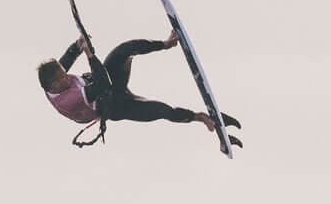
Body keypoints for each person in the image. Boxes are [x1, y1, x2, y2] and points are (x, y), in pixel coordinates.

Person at [37, 32, 241, 144]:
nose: (66, 76)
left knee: (125, 49)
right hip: (115, 105)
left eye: (64, 73)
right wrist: (90, 55)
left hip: (107, 84)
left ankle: (167, 43)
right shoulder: (68, 99)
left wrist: (77, 46)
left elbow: (64, 62)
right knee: (161, 110)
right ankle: (201, 118)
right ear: (55, 85)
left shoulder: (52, 81)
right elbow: (102, 84)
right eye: (63, 78)